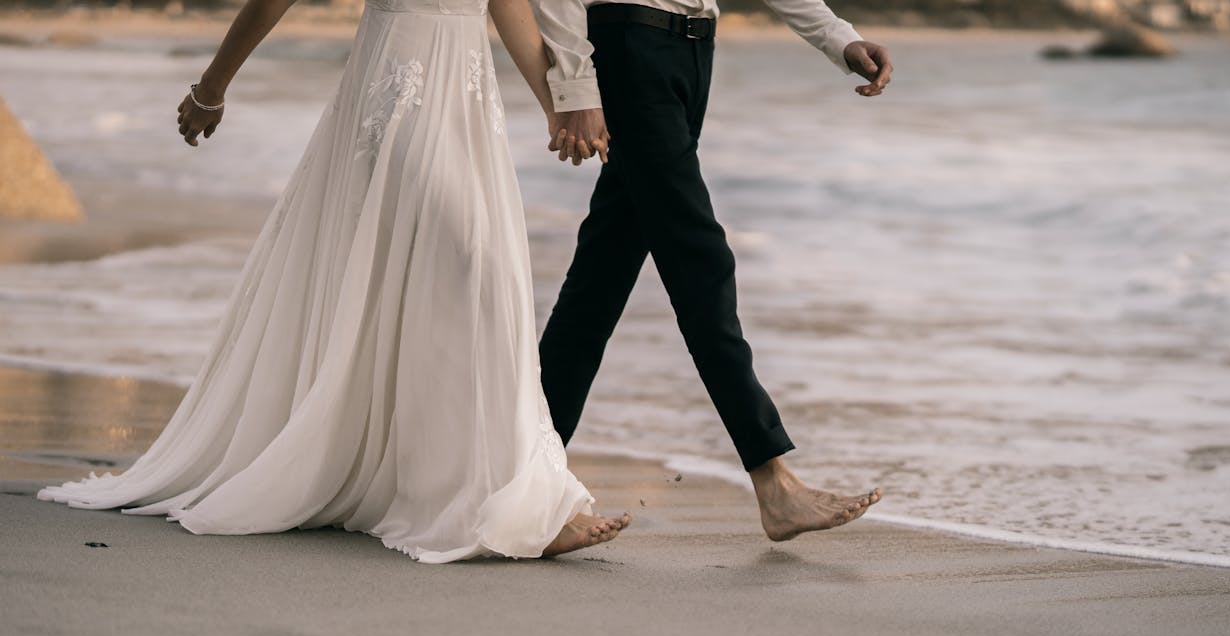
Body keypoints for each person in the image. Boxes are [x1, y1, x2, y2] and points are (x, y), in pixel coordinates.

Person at [39, 0, 630, 561]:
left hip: (468, 98)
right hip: (396, 86)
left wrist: (555, 105)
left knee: (483, 272)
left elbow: (507, 5)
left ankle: (497, 492)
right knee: (471, 259)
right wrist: (213, 86)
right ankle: (493, 500)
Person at [530, 0, 889, 541]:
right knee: (700, 259)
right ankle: (773, 480)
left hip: (691, 53)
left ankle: (526, 479)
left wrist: (837, 38)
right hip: (630, 47)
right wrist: (577, 87)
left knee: (600, 277)